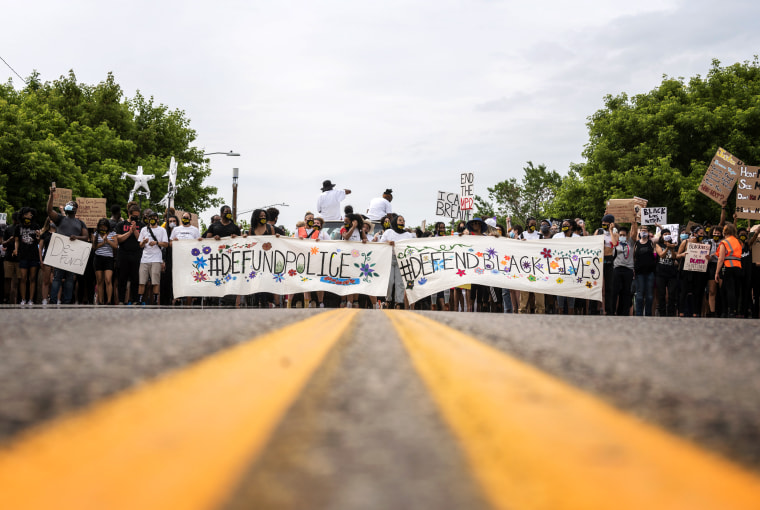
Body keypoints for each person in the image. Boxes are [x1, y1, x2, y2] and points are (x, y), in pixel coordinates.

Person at [46, 187, 89, 304]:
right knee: (57, 278)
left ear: (76, 209)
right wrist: (51, 195)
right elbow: (49, 211)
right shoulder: (60, 219)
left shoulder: (80, 222)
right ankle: (53, 300)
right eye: (68, 204)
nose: (69, 206)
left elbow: (86, 237)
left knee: (70, 279)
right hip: (60, 252)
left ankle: (67, 301)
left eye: (72, 205)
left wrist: (77, 237)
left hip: (72, 254)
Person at [381, 215, 415, 309]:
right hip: (389, 258)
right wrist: (388, 242)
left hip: (401, 260)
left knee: (400, 282)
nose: (402, 222)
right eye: (400, 220)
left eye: (403, 221)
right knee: (390, 281)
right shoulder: (389, 232)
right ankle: (388, 300)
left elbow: (411, 247)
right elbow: (381, 243)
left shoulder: (408, 235)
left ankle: (398, 302)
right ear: (395, 221)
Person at [137, 210, 169, 305]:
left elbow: (166, 244)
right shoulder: (144, 229)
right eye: (150, 218)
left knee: (155, 281)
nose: (152, 220)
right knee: (142, 281)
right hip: (145, 259)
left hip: (156, 258)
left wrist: (157, 242)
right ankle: (140, 300)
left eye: (154, 218)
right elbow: (140, 245)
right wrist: (143, 242)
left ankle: (155, 300)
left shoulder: (162, 230)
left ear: (157, 219)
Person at [115, 202, 144, 305]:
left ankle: (135, 300)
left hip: (136, 254)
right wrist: (129, 232)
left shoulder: (142, 225)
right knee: (122, 278)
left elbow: (141, 240)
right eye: (133, 216)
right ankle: (121, 300)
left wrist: (135, 230)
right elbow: (118, 238)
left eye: (137, 216)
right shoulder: (121, 224)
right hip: (123, 254)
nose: (135, 218)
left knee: (135, 278)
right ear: (129, 214)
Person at [13, 207, 41, 305]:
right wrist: (16, 249)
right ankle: (23, 299)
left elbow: (39, 241)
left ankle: (31, 300)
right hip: (23, 255)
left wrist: (38, 236)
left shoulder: (35, 226)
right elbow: (16, 240)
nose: (31, 215)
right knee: (23, 278)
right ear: (24, 215)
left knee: (33, 278)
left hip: (33, 255)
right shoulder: (18, 227)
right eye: (29, 214)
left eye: (31, 214)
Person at [714, 222, 743, 318]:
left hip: (728, 266)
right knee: (733, 289)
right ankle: (728, 310)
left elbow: (721, 258)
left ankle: (730, 311)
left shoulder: (724, 242)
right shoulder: (738, 242)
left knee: (729, 290)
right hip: (738, 266)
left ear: (725, 231)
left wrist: (717, 272)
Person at [518, 217, 545, 314]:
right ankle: (522, 311)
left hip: (538, 268)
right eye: (531, 224)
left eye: (535, 224)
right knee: (524, 294)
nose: (533, 226)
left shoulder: (540, 236)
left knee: (539, 292)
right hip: (525, 268)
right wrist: (520, 243)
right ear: (527, 224)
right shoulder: (521, 235)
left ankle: (540, 312)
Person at [553, 219, 580, 314]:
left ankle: (571, 313)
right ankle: (560, 312)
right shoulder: (557, 236)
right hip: (560, 268)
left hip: (572, 268)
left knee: (571, 293)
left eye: (566, 224)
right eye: (563, 224)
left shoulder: (577, 237)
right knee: (560, 292)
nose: (564, 226)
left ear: (571, 226)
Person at [610, 221, 637, 316]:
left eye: (624, 235)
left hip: (628, 270)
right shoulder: (616, 243)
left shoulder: (630, 242)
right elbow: (613, 240)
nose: (622, 236)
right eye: (620, 234)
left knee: (626, 292)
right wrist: (610, 228)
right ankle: (612, 311)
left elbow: (634, 234)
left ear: (627, 236)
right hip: (617, 269)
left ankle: (623, 312)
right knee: (615, 291)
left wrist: (634, 222)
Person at [653, 225, 679, 316]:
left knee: (672, 293)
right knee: (661, 294)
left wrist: (671, 248)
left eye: (668, 234)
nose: (667, 235)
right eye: (665, 234)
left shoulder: (674, 245)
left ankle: (671, 312)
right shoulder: (658, 245)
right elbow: (662, 255)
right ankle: (662, 312)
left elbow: (674, 257)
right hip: (661, 273)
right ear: (662, 236)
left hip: (671, 273)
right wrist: (667, 247)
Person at [93, 217, 118, 306]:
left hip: (109, 258)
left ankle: (109, 300)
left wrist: (107, 241)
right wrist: (102, 243)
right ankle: (100, 300)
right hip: (98, 257)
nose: (103, 229)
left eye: (104, 227)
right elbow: (94, 246)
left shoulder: (112, 233)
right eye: (101, 227)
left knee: (108, 279)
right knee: (99, 280)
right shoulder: (96, 233)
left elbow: (115, 246)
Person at [633, 223, 657, 316]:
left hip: (650, 272)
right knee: (639, 295)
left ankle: (648, 314)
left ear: (648, 232)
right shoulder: (636, 243)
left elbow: (662, 235)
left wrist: (658, 226)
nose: (643, 232)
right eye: (642, 230)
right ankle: (639, 314)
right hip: (639, 273)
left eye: (645, 231)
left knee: (649, 296)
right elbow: (633, 257)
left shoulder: (651, 242)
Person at [2, 212, 20, 304]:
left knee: (16, 281)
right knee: (7, 279)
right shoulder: (8, 229)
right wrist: (10, 240)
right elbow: (3, 243)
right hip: (9, 257)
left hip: (19, 259)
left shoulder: (22, 229)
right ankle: (6, 298)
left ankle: (15, 299)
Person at [38, 219, 56, 305]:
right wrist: (41, 260)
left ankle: (55, 299)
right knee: (46, 280)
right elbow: (40, 248)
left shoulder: (60, 233)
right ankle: (44, 299)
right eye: (51, 220)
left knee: (55, 280)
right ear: (48, 222)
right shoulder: (44, 234)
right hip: (47, 259)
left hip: (57, 259)